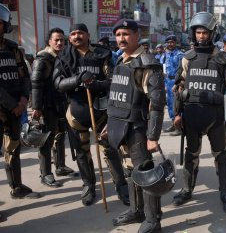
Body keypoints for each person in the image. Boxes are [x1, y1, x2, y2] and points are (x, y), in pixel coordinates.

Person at [171, 12, 226, 213]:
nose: (201, 36)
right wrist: (177, 114)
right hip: (192, 115)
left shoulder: (222, 59)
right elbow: (178, 87)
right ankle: (187, 190)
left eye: (205, 32)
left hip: (216, 116)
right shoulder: (187, 59)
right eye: (198, 32)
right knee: (191, 154)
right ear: (193, 34)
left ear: (213, 34)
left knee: (220, 154)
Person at [53, 23, 129, 206]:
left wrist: (96, 84)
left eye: (80, 33)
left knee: (110, 149)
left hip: (101, 110)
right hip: (76, 111)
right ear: (69, 38)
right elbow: (57, 83)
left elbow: (113, 80)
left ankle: (121, 186)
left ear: (88, 35)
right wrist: (78, 79)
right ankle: (88, 185)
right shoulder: (63, 56)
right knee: (81, 151)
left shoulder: (101, 54)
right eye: (73, 34)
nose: (76, 36)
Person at [108, 19, 166, 233]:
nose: (121, 38)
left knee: (146, 175)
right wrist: (110, 125)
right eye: (118, 34)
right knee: (132, 172)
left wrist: (153, 136)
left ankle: (153, 220)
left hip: (139, 129)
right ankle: (136, 210)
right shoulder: (121, 61)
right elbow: (117, 97)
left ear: (136, 35)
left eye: (125, 34)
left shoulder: (146, 63)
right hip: (122, 127)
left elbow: (157, 103)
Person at [0, 3, 41, 202]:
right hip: (7, 107)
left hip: (15, 109)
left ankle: (16, 186)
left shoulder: (13, 49)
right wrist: (12, 105)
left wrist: (24, 99)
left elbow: (24, 76)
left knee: (14, 148)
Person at [31, 28, 75, 187]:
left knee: (61, 136)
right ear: (49, 41)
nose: (59, 42)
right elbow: (35, 84)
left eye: (62, 40)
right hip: (47, 105)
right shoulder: (42, 58)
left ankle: (61, 166)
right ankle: (46, 173)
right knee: (46, 139)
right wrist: (36, 106)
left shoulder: (62, 58)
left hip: (61, 103)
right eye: (56, 39)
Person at [162, 35, 183, 136]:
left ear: (175, 43)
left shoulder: (179, 55)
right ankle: (173, 123)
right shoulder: (165, 55)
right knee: (170, 104)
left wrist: (178, 84)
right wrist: (164, 84)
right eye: (168, 42)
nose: (170, 44)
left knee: (177, 104)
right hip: (168, 81)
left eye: (172, 42)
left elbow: (182, 70)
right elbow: (163, 69)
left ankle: (179, 127)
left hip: (176, 82)